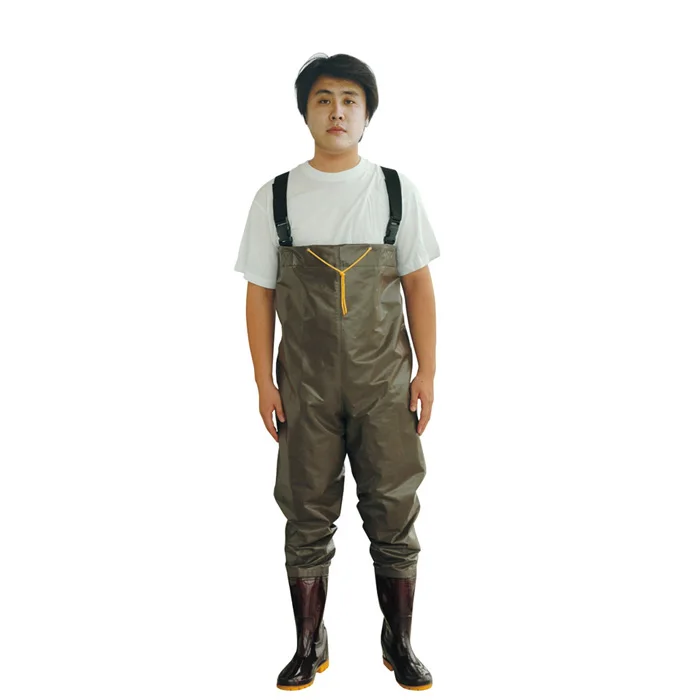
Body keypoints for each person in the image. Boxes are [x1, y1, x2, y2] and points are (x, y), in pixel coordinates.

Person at [234, 52, 439, 692]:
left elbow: (419, 286)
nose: (337, 111)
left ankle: (399, 641)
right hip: (305, 387)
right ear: (305, 112)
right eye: (323, 99)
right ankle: (307, 642)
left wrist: (427, 374)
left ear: (367, 113)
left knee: (394, 509)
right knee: (305, 513)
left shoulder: (396, 191)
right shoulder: (275, 197)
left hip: (386, 386)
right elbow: (259, 294)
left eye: (350, 99)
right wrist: (263, 382)